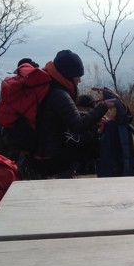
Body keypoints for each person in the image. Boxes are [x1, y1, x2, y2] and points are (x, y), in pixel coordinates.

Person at [32, 50, 117, 179]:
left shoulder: (51, 87)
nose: (80, 80)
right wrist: (103, 106)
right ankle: (67, 175)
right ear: (68, 75)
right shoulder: (59, 95)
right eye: (78, 75)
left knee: (88, 132)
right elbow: (78, 125)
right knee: (91, 135)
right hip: (50, 160)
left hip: (42, 153)